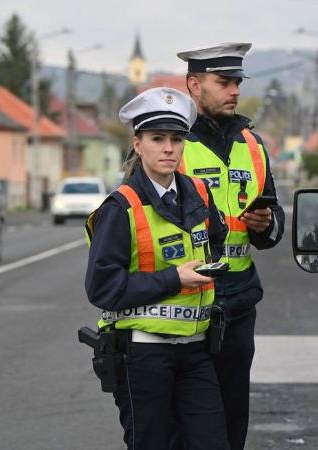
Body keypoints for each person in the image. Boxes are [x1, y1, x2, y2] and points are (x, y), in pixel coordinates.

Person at [84, 87, 230, 450]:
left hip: (196, 351)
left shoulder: (199, 192)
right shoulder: (120, 207)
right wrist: (174, 279)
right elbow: (103, 288)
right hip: (143, 356)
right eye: (157, 138)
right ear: (138, 144)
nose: (169, 148)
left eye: (177, 139)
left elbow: (215, 239)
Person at [175, 42, 285, 450]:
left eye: (237, 82)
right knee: (185, 421)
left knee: (232, 418)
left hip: (238, 305)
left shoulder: (252, 145)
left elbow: (273, 215)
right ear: (194, 85)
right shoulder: (172, 144)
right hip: (187, 305)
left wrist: (266, 224)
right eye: (223, 82)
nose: (235, 90)